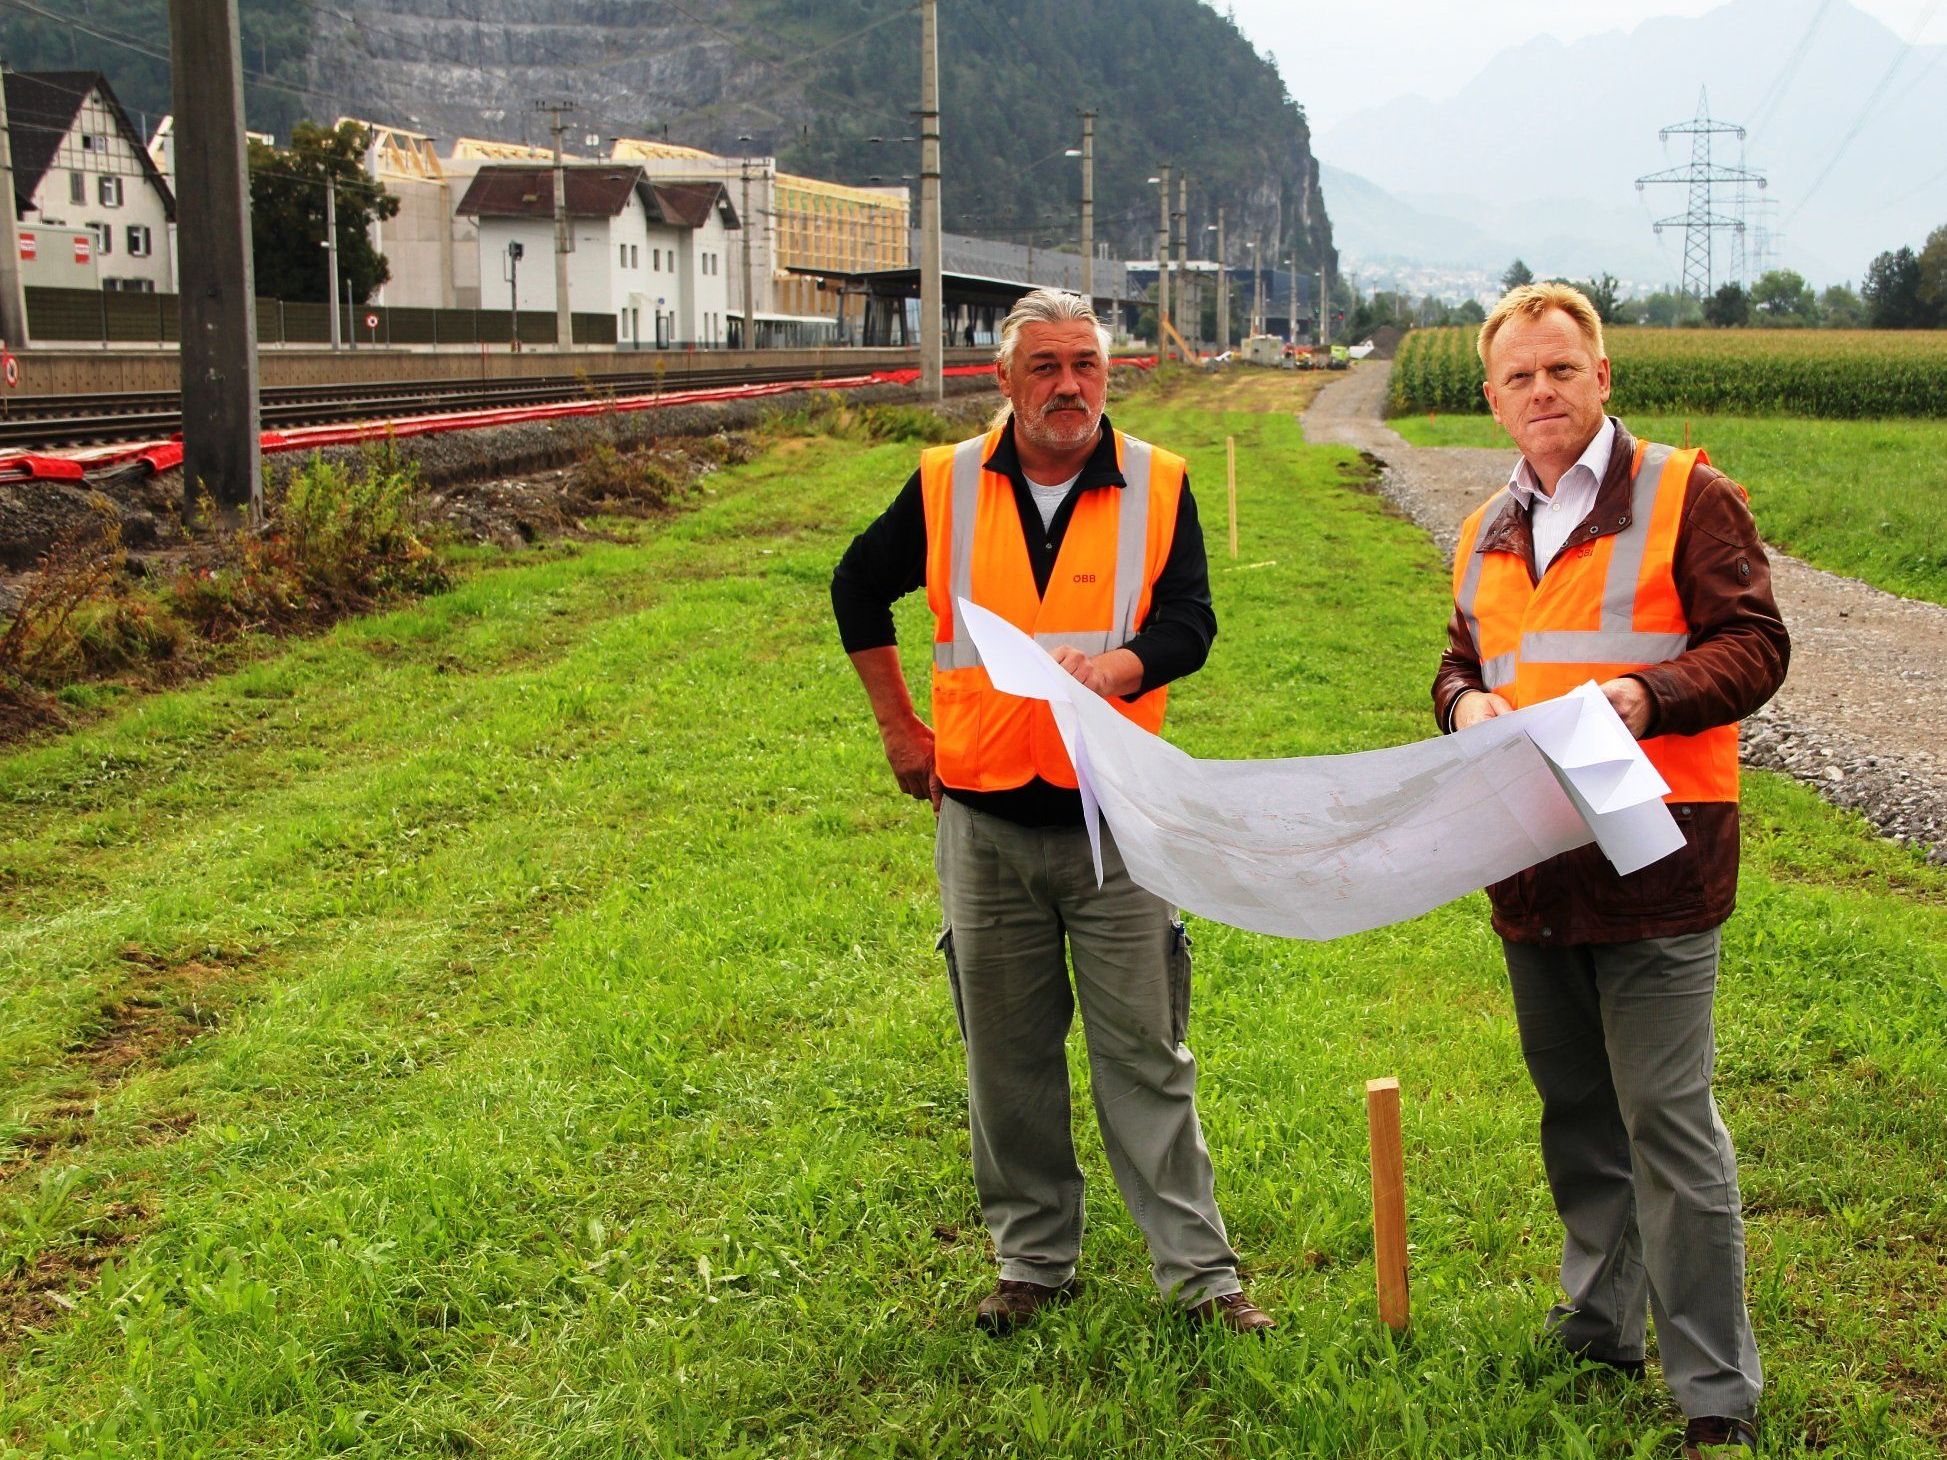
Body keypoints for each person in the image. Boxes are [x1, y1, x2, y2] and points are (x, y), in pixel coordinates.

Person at [831, 288, 1273, 1336]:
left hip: (1115, 819)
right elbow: (856, 587)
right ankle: (1034, 1259)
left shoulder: (1159, 483)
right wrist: (900, 731)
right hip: (983, 823)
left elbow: (1192, 619)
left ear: (1106, 375)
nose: (1069, 384)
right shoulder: (943, 484)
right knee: (1008, 1054)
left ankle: (1202, 1278)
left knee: (1146, 1051)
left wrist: (1121, 665)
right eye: (1046, 366)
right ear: (1005, 378)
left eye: (1086, 363)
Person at [1432, 284, 1788, 1458]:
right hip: (1533, 862)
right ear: (1493, 397)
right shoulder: (1487, 524)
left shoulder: (1689, 493)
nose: (1543, 392)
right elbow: (1458, 663)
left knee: (1668, 1120)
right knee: (1579, 1112)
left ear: (1602, 377)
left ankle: (1716, 1392)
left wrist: (1647, 693)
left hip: (1657, 862)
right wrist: (1464, 701)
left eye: (1561, 371)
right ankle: (1599, 1320)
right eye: (1519, 378)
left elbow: (1756, 643)